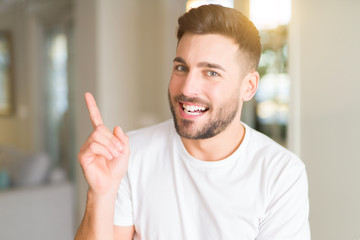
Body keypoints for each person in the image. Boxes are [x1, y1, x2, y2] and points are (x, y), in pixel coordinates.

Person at [75, 4, 310, 240]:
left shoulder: (281, 174)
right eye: (181, 68)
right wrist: (100, 195)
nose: (187, 88)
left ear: (248, 86)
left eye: (211, 73)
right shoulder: (129, 156)